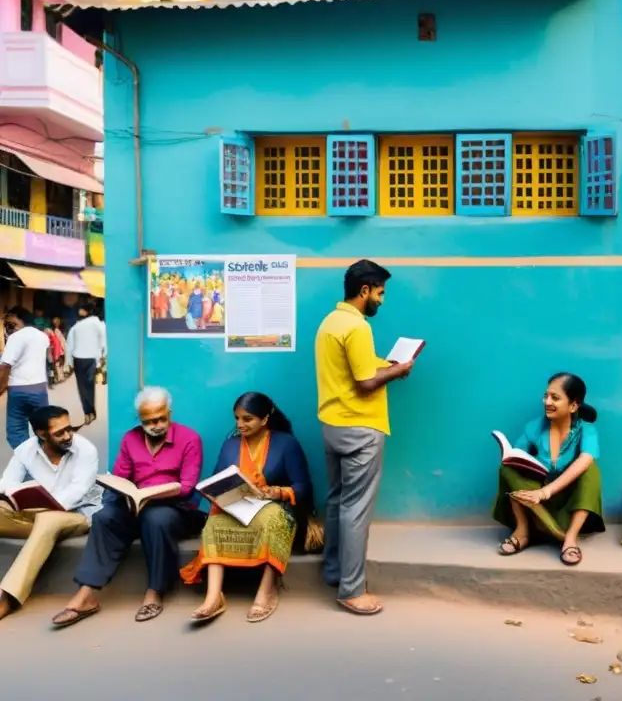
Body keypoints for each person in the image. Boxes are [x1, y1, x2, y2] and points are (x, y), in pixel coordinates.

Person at [51, 386, 204, 628]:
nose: (156, 425)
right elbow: (121, 477)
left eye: (161, 418)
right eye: (148, 421)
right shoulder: (130, 439)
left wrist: (155, 494)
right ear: (140, 419)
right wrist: (121, 490)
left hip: (176, 509)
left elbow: (187, 486)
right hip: (136, 505)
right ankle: (86, 595)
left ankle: (155, 592)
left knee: (157, 518)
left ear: (170, 413)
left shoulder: (189, 438)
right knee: (105, 517)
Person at [315, 259, 413, 616]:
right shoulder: (357, 327)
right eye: (381, 292)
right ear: (365, 290)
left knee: (339, 501)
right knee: (356, 509)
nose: (382, 301)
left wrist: (385, 365)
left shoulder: (331, 321)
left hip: (332, 425)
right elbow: (365, 382)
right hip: (360, 428)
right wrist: (398, 371)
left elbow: (357, 366)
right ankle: (352, 590)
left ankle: (333, 571)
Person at [182, 392, 312, 624]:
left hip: (274, 506)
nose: (240, 424)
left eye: (247, 419)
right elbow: (216, 478)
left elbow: (303, 487)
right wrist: (215, 495)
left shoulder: (286, 444)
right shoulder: (230, 445)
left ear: (265, 419)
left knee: (269, 519)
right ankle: (213, 597)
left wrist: (277, 491)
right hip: (238, 506)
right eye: (237, 418)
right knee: (214, 522)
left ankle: (266, 591)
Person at [0, 406, 102, 621]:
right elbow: (7, 483)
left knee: (47, 520)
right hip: (40, 517)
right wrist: (15, 497)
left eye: (69, 429)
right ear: (41, 434)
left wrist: (45, 506)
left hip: (77, 515)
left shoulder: (86, 450)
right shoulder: (25, 450)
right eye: (59, 433)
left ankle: (7, 597)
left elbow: (78, 491)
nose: (67, 436)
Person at [494, 373, 605, 566]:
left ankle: (569, 538)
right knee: (508, 469)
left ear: (574, 405)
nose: (547, 402)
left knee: (591, 470)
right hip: (533, 501)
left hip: (566, 504)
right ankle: (523, 531)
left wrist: (546, 492)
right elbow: (515, 455)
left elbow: (586, 458)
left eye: (555, 397)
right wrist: (515, 461)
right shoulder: (534, 427)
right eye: (546, 396)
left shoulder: (586, 430)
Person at [0, 307, 50, 449]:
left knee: (15, 432)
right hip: (40, 389)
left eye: (11, 323)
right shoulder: (43, 336)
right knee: (43, 429)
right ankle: (42, 460)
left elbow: (5, 367)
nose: (9, 328)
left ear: (20, 319)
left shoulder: (16, 337)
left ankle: (28, 461)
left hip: (18, 390)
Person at [65, 303, 106, 426]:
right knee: (90, 386)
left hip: (78, 359)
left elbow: (69, 346)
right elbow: (104, 342)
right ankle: (91, 411)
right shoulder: (99, 324)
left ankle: (88, 412)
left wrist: (69, 363)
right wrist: (102, 358)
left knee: (82, 388)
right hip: (91, 359)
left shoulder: (76, 326)